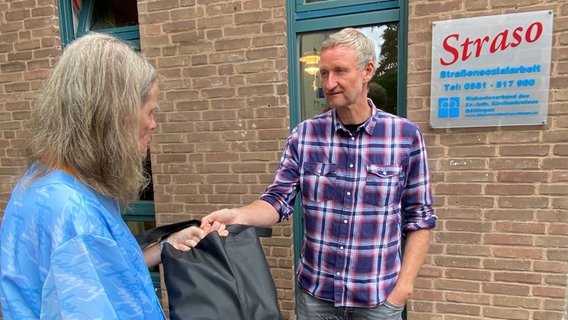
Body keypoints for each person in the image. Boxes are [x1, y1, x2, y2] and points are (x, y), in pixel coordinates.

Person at [201, 27, 437, 320]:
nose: (330, 82)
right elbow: (277, 200)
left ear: (367, 71)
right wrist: (238, 215)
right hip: (316, 297)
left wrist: (403, 290)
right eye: (323, 73)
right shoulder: (305, 135)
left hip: (378, 298)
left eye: (339, 71)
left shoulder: (404, 137)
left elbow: (420, 218)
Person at [0, 33, 222, 319]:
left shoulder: (49, 181)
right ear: (114, 116)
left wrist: (166, 245)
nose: (153, 125)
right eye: (150, 112)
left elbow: (106, 275)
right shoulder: (73, 214)